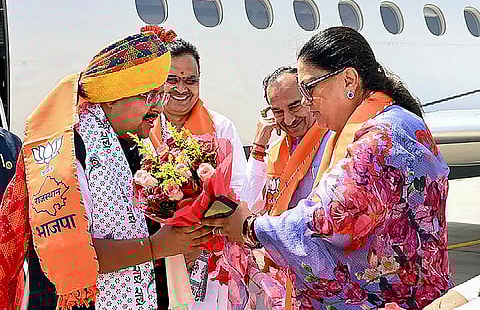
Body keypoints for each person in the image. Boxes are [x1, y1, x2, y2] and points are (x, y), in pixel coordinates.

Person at [202, 26, 452, 310]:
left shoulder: (382, 136)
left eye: (309, 88)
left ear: (349, 80)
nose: (307, 102)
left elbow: (328, 218)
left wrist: (250, 228)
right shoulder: (384, 123)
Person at [0, 28, 213, 309]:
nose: (158, 109)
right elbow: (73, 254)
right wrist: (157, 247)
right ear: (112, 97)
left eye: (160, 96)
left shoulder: (131, 141)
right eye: (148, 97)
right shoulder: (69, 151)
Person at [149, 38, 247, 310]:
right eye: (172, 80)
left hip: (209, 247)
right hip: (157, 250)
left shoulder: (221, 126)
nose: (181, 88)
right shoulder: (143, 127)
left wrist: (199, 231)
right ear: (159, 82)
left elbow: (238, 187)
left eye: (191, 81)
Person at [242, 66, 333, 214]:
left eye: (294, 106)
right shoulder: (273, 151)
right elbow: (249, 207)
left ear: (308, 98)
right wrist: (258, 147)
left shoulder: (333, 142)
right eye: (278, 111)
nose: (289, 120)